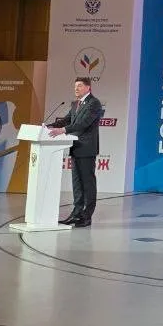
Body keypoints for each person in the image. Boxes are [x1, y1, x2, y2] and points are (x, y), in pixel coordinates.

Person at [48, 77, 104, 227]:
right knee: (77, 183)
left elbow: (82, 124)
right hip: (75, 147)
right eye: (75, 86)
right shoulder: (75, 104)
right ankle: (76, 213)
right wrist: (49, 126)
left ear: (88, 87)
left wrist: (63, 130)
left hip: (86, 148)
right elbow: (67, 120)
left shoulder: (94, 103)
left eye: (79, 86)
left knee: (88, 183)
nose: (76, 89)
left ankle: (87, 216)